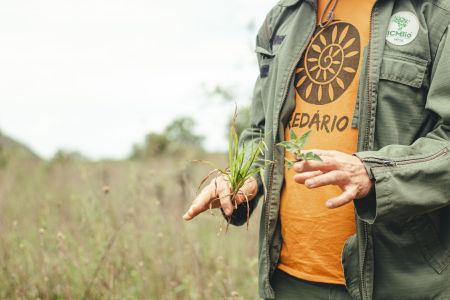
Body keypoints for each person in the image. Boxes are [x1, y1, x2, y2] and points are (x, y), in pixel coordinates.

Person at [184, 0, 450, 298]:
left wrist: (375, 175)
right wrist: (246, 176)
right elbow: (263, 130)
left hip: (401, 279)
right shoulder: (283, 17)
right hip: (288, 280)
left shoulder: (435, 14)